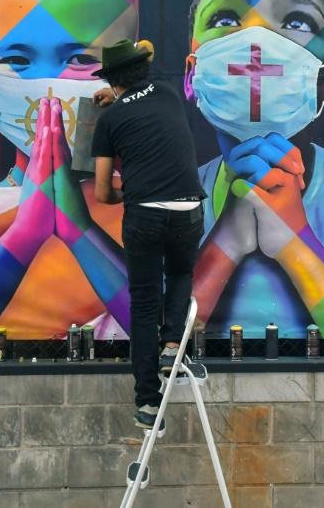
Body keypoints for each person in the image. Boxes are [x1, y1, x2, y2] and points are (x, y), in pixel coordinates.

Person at [0, 0, 134, 339]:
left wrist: (78, 229)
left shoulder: (154, 209)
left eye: (81, 58)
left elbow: (171, 332)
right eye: (17, 59)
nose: (50, 86)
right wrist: (25, 234)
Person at [184, 0, 324, 338]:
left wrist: (295, 241)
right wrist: (226, 241)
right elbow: (157, 338)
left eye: (296, 22)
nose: (256, 43)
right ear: (192, 75)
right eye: (225, 19)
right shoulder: (172, 197)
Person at [91, 40, 206, 430]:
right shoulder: (170, 93)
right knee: (180, 273)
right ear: (143, 69)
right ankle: (173, 346)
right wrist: (119, 92)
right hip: (188, 207)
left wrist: (129, 194)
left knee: (143, 304)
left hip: (145, 213)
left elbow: (103, 193)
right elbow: (145, 67)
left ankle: (147, 403)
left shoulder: (109, 122)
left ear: (112, 80)